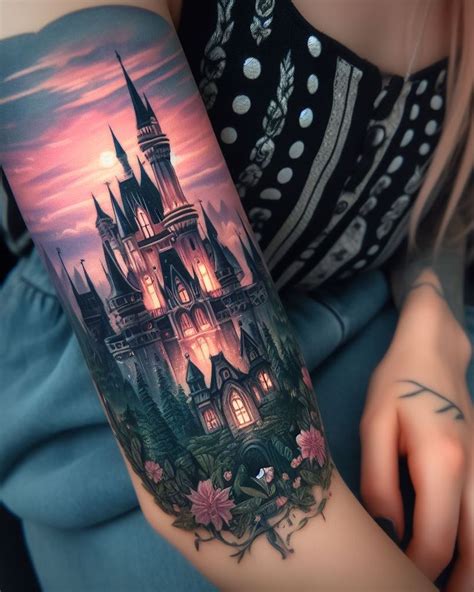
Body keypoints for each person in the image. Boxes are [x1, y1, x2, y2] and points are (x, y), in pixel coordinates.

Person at [0, 0, 472, 590]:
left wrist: (433, 328)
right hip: (108, 416)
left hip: (363, 319)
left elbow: (444, 201)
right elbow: (262, 509)